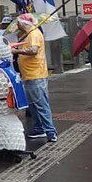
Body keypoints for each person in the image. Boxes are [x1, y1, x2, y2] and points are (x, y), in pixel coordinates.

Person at [12, 14, 57, 143]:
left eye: (18, 22)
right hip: (29, 74)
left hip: (35, 75)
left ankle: (50, 131)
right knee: (33, 105)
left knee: (40, 104)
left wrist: (16, 51)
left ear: (24, 23)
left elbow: (33, 50)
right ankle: (39, 127)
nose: (17, 25)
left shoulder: (33, 34)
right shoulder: (27, 34)